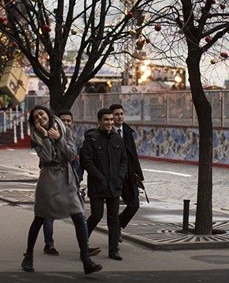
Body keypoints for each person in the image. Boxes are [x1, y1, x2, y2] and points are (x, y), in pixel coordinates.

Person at [21, 105, 101, 275]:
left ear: (48, 114)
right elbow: (48, 157)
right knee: (40, 218)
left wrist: (58, 138)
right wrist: (47, 138)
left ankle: (86, 259)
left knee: (79, 216)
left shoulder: (64, 130)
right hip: (49, 179)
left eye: (41, 114)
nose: (40, 118)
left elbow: (71, 154)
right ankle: (28, 256)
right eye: (36, 117)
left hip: (67, 178)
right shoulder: (36, 137)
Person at [41, 110, 98, 257]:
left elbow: (80, 160)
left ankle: (84, 248)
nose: (66, 123)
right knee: (48, 215)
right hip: (53, 183)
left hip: (72, 182)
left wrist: (78, 180)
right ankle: (49, 244)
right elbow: (44, 162)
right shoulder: (48, 138)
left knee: (79, 215)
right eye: (63, 120)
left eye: (68, 120)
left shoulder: (77, 140)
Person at [81, 108, 127, 261]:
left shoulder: (118, 139)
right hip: (97, 185)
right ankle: (83, 242)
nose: (109, 122)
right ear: (99, 121)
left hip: (114, 185)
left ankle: (113, 250)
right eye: (106, 120)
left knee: (114, 219)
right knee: (96, 215)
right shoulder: (91, 138)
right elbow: (87, 161)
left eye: (111, 120)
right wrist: (99, 178)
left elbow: (123, 160)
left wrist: (120, 177)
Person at [109, 103, 145, 234]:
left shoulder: (128, 132)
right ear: (111, 116)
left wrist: (138, 175)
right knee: (112, 208)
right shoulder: (107, 132)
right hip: (113, 176)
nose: (119, 117)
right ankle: (114, 234)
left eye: (121, 114)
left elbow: (133, 155)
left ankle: (117, 226)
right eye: (116, 114)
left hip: (128, 175)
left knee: (134, 204)